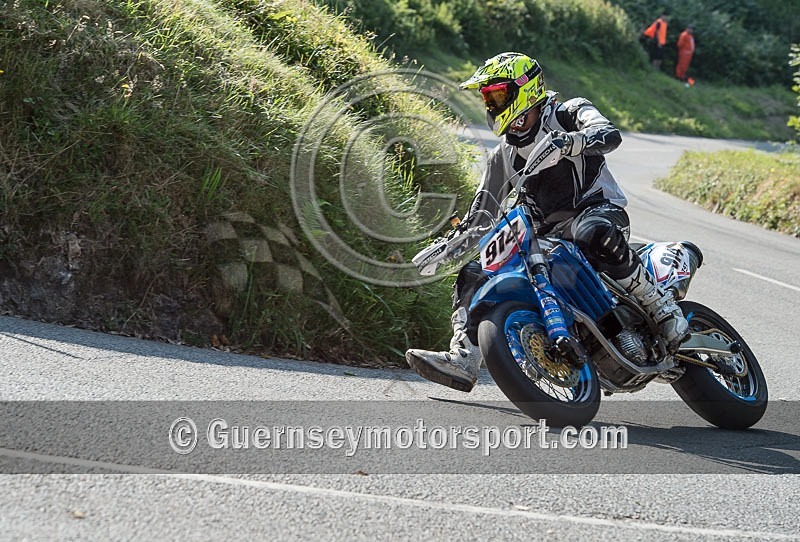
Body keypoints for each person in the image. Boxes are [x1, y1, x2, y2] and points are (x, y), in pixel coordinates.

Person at [405, 52, 689, 392]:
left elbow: (608, 134)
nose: (493, 105)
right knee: (473, 272)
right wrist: (447, 247)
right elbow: (481, 216)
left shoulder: (570, 113)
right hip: (545, 241)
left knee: (591, 233)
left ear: (524, 88)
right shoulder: (503, 158)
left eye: (498, 95)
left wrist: (571, 142)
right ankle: (465, 357)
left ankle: (662, 308)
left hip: (597, 211)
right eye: (488, 98)